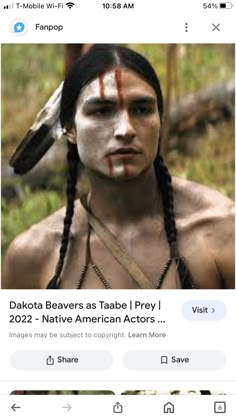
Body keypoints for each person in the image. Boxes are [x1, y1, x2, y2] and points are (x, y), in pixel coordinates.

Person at [2, 45, 234, 289]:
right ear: (70, 127)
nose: (126, 130)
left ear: (160, 120)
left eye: (142, 110)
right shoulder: (34, 256)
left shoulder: (222, 231)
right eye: (102, 111)